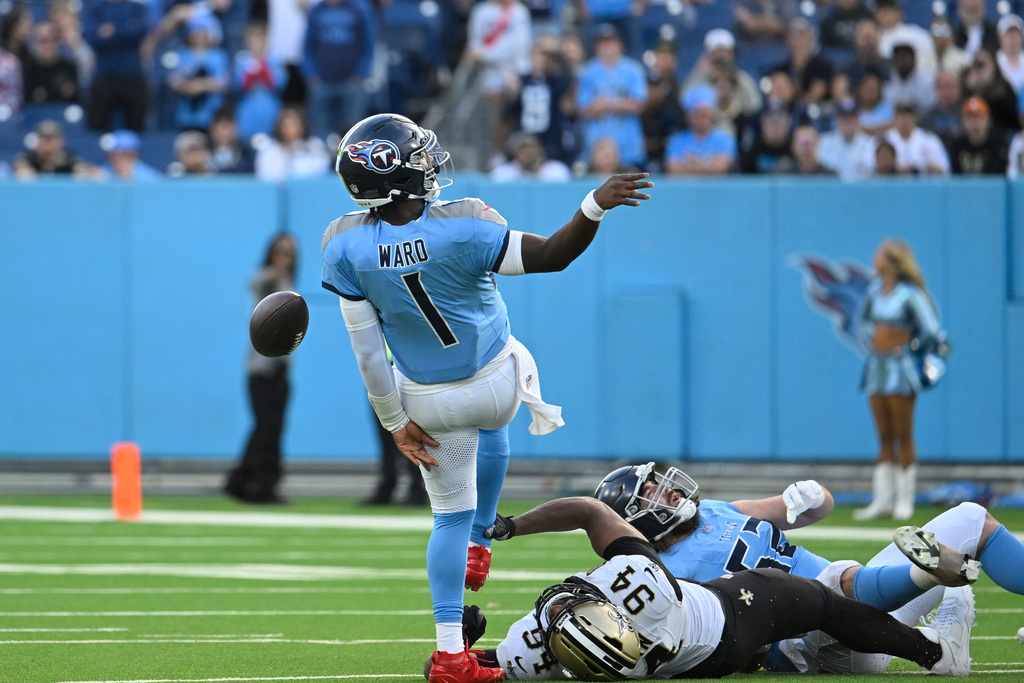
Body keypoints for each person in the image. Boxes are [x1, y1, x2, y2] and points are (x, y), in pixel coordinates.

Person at [320, 112, 652, 683]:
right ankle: (482, 538)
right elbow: (552, 256)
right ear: (394, 174)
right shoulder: (466, 223)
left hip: (423, 399)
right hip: (497, 386)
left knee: (444, 519)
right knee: (503, 368)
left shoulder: (343, 244)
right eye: (417, 156)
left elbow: (369, 354)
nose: (429, 162)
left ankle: (451, 654)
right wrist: (593, 205)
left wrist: (394, 422)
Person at [588, 461, 1024, 674]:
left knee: (970, 519)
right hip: (818, 641)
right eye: (651, 492)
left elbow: (810, 511)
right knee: (829, 584)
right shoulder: (665, 576)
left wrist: (813, 495)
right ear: (634, 519)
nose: (667, 490)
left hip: (874, 603)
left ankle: (942, 621)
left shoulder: (715, 510)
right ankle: (931, 576)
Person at [478, 495, 974, 679]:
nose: (561, 603)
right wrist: (510, 526)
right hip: (728, 611)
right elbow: (589, 510)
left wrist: (462, 641)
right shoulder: (639, 581)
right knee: (823, 600)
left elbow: (493, 665)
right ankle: (934, 652)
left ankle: (933, 595)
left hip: (704, 664)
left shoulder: (539, 656)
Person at [855, 239, 940, 521]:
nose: (875, 257)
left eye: (879, 254)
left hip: (900, 369)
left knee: (903, 434)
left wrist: (907, 347)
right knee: (883, 435)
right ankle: (882, 500)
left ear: (892, 260)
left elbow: (930, 329)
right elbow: (861, 321)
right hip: (876, 367)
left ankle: (905, 500)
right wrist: (873, 341)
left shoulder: (909, 294)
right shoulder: (874, 292)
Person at [225, 232, 299, 505]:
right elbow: (257, 284)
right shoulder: (268, 279)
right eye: (280, 251)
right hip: (262, 368)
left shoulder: (288, 281)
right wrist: (275, 273)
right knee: (266, 425)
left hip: (279, 367)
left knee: (272, 426)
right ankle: (251, 481)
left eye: (290, 253)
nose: (285, 257)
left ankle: (250, 481)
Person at [575, 24, 647, 171]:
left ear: (620, 45)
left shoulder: (633, 70)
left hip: (629, 149)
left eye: (611, 42)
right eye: (603, 43)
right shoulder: (587, 72)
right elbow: (583, 109)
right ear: (596, 47)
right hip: (595, 148)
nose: (607, 47)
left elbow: (638, 105)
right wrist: (622, 103)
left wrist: (605, 104)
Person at [301, 0, 377, 139]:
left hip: (351, 82)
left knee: (353, 134)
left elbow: (368, 45)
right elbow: (307, 47)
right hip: (321, 82)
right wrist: (311, 75)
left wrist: (360, 74)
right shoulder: (317, 10)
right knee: (319, 132)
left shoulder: (359, 9)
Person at [83, 0, 149, 131]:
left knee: (136, 126)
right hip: (104, 75)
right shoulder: (95, 8)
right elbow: (91, 36)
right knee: (96, 126)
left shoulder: (136, 8)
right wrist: (125, 29)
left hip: (132, 75)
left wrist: (112, 31)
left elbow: (139, 31)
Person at [663, 84, 736, 176]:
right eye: (697, 115)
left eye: (704, 115)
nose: (702, 120)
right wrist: (707, 165)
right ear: (688, 117)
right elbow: (672, 169)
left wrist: (689, 165)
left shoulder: (725, 139)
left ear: (712, 116)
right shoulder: (676, 140)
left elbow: (721, 168)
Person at [254, 105, 331, 181]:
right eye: (285, 125)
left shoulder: (315, 146)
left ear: (302, 125)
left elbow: (321, 171)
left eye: (293, 125)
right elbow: (264, 177)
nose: (289, 130)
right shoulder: (268, 149)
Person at [12, 119, 100, 179]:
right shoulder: (29, 158)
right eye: (44, 140)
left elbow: (85, 171)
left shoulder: (69, 160)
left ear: (61, 142)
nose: (48, 144)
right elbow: (19, 168)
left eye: (51, 140)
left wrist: (85, 173)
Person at [881, 99, 950, 175]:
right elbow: (871, 168)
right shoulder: (885, 139)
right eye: (901, 116)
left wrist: (932, 168)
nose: (905, 120)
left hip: (923, 181)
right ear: (895, 118)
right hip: (893, 181)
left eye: (908, 116)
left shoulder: (929, 139)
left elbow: (945, 168)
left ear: (915, 118)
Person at [817, 96, 875, 180]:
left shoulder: (870, 144)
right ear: (837, 120)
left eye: (852, 117)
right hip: (831, 187)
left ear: (858, 120)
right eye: (844, 117)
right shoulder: (824, 142)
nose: (848, 121)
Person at [948, 95, 1009, 174]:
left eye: (980, 118)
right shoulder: (956, 145)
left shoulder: (998, 144)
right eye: (970, 118)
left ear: (988, 120)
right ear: (963, 121)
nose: (975, 123)